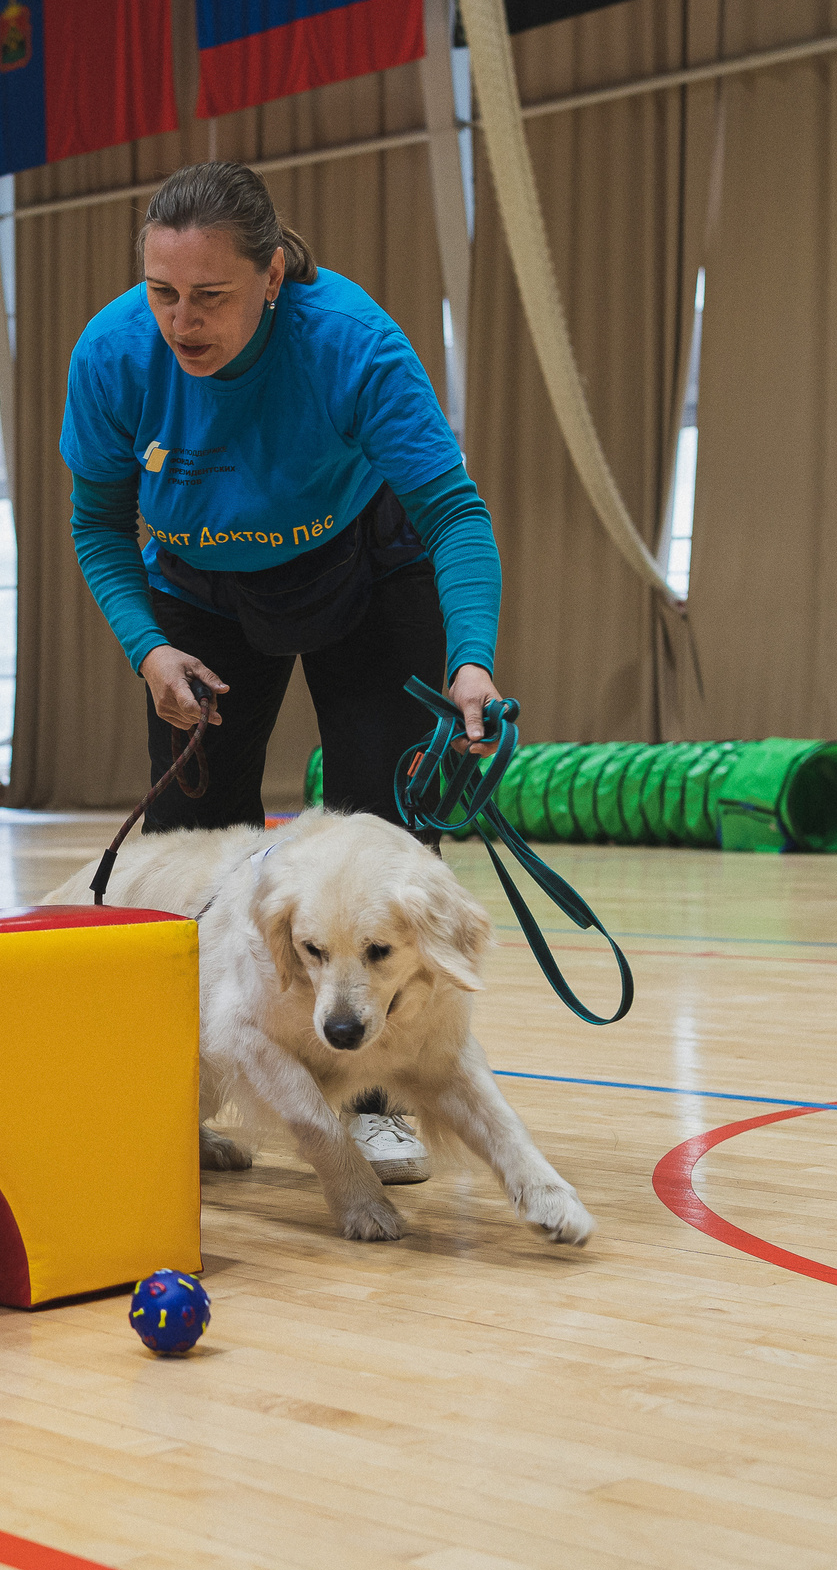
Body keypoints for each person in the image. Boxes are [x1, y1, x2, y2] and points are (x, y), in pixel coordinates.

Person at [60, 162, 511, 1188]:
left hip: (363, 571)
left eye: (210, 295)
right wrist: (149, 647)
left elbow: (453, 514)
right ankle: (178, 1091)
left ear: (271, 277)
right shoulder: (115, 355)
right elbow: (96, 524)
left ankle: (384, 1098)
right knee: (190, 846)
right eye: (161, 292)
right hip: (198, 601)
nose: (181, 321)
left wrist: (470, 661)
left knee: (382, 836)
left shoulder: (348, 342)